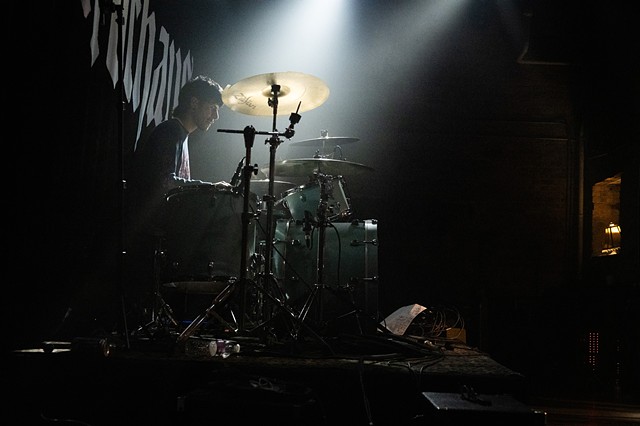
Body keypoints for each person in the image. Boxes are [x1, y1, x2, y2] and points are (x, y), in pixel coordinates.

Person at [125, 75, 235, 329]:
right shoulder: (170, 132)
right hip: (144, 236)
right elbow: (165, 182)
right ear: (194, 103)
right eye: (212, 108)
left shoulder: (181, 136)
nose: (215, 116)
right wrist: (210, 188)